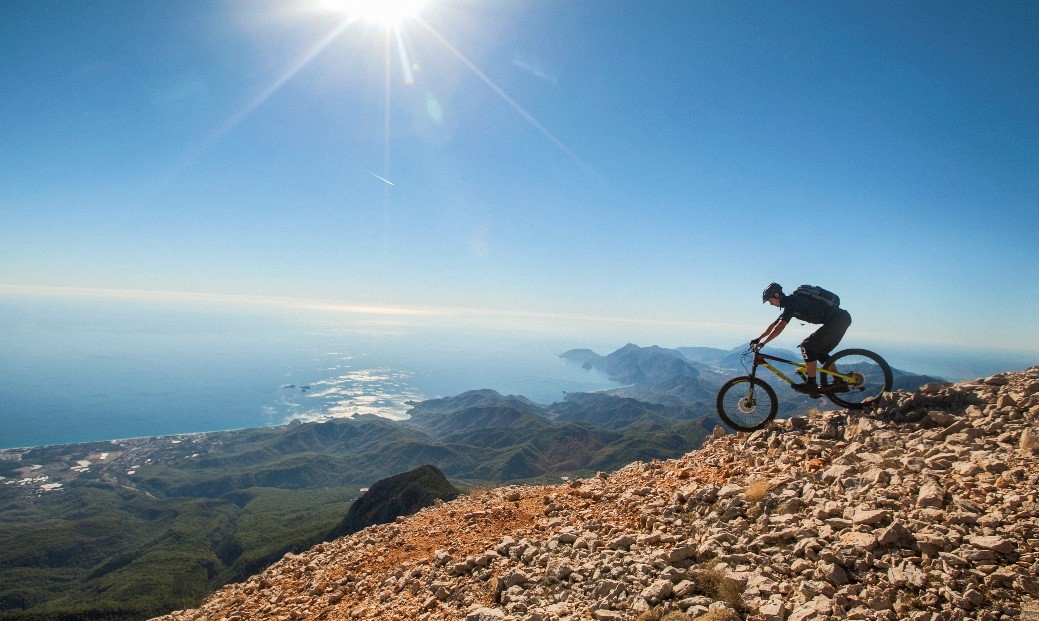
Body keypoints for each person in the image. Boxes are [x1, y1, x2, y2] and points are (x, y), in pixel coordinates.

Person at [752, 282, 852, 396]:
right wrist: (758, 339)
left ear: (776, 295)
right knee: (819, 351)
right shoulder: (790, 304)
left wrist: (763, 343)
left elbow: (780, 326)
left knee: (807, 346)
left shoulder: (791, 301)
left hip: (838, 320)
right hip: (840, 320)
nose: (770, 304)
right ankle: (839, 381)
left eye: (770, 300)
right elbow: (774, 325)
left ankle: (811, 383)